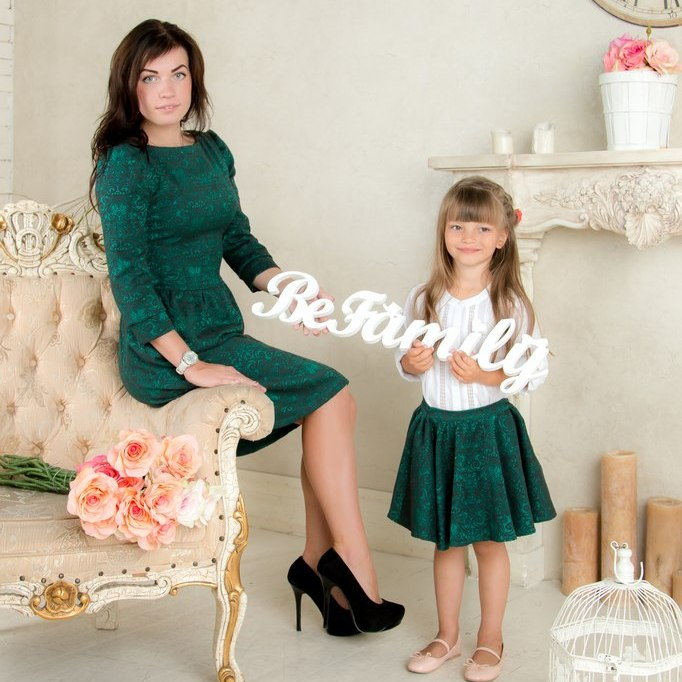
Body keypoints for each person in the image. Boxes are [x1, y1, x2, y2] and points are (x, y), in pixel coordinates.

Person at [90, 18, 403, 637]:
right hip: (163, 350)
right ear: (129, 86)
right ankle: (347, 568)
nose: (167, 90)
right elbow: (131, 280)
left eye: (178, 73)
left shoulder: (211, 150)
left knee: (328, 398)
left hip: (219, 329)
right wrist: (189, 364)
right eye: (150, 77)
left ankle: (319, 563)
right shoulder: (126, 164)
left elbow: (237, 240)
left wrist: (292, 290)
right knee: (333, 394)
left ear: (194, 79)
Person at [388, 177, 556, 681]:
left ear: (502, 237)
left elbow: (533, 372)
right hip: (437, 431)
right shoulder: (424, 298)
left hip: (486, 433)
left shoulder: (510, 303)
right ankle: (447, 635)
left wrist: (486, 375)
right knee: (446, 542)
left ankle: (490, 638)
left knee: (487, 543)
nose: (469, 237)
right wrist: (413, 363)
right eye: (458, 226)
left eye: (482, 228)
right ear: (444, 231)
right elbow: (404, 361)